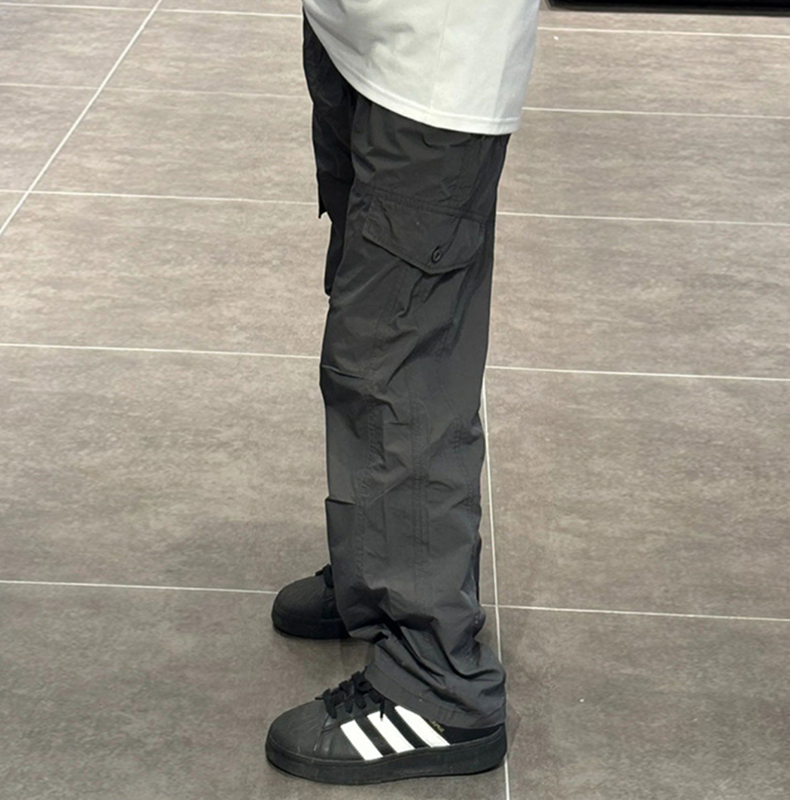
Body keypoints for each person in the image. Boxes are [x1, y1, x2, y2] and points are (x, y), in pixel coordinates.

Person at [265, 0, 540, 785]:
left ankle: (436, 685)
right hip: (361, 41)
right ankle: (376, 583)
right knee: (368, 335)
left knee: (398, 369)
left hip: (433, 63)